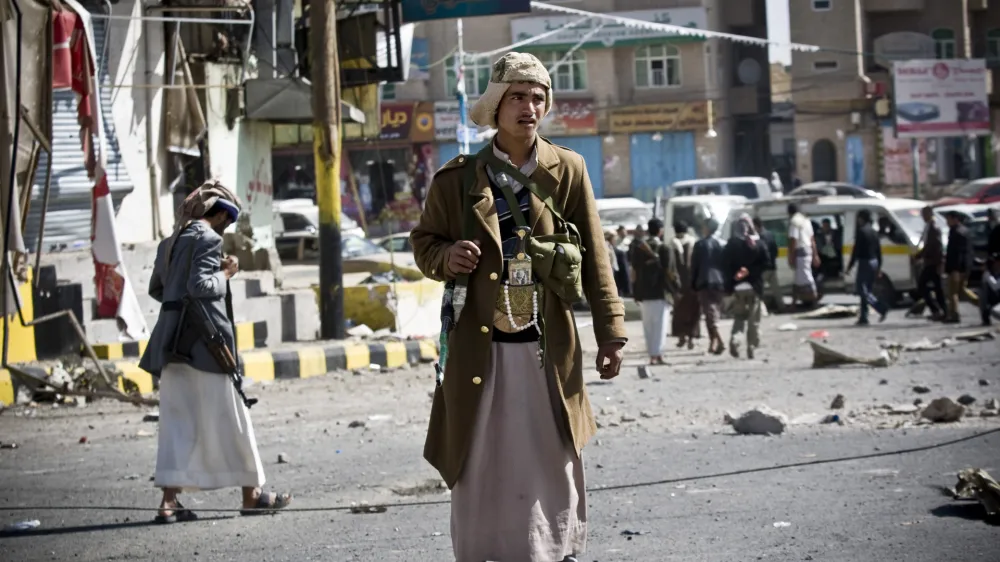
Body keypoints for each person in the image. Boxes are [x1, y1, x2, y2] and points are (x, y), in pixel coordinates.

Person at [408, 52, 626, 562]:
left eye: (538, 97)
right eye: (518, 97)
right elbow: (424, 244)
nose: (529, 107)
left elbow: (596, 257)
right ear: (497, 106)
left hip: (546, 349)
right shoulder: (456, 180)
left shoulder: (568, 170)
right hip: (480, 351)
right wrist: (447, 256)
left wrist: (611, 333)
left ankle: (552, 549)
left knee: (550, 454)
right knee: (481, 455)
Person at [139, 181, 291, 524]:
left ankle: (168, 503)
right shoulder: (208, 238)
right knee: (234, 417)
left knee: (177, 424)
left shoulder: (169, 242)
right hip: (206, 346)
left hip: (170, 346)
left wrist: (178, 306)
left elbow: (158, 289)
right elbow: (200, 286)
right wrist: (225, 273)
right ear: (221, 215)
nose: (227, 228)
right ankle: (251, 495)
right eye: (228, 221)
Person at [631, 218, 679, 365]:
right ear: (660, 231)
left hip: (644, 293)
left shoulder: (638, 248)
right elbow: (670, 271)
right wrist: (676, 287)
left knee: (648, 327)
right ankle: (657, 354)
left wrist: (635, 292)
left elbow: (634, 271)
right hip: (660, 292)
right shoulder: (664, 248)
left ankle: (652, 354)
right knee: (660, 326)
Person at [723, 214, 769, 359]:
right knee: (753, 320)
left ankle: (735, 340)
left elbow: (725, 266)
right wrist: (750, 271)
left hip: (738, 288)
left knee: (739, 317)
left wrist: (733, 280)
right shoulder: (759, 244)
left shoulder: (731, 245)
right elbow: (766, 263)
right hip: (754, 287)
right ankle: (751, 347)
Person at [845, 209, 889, 326]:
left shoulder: (861, 231)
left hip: (865, 262)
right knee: (867, 290)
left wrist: (849, 266)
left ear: (861, 218)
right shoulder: (874, 232)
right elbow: (878, 251)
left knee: (861, 290)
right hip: (874, 262)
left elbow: (856, 251)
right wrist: (879, 266)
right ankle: (863, 317)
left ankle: (881, 308)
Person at [690, 218, 727, 355]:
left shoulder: (700, 244)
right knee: (713, 313)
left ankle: (720, 341)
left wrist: (693, 284)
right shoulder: (720, 244)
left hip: (704, 282)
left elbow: (694, 266)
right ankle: (713, 343)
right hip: (719, 282)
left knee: (710, 314)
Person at [671, 221, 701, 349]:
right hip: (692, 282)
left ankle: (681, 336)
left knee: (679, 311)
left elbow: (670, 266)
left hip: (678, 283)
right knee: (693, 310)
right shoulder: (693, 242)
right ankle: (691, 338)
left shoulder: (672, 243)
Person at [915, 206, 947, 321]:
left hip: (933, 263)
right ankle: (943, 311)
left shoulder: (933, 227)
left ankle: (937, 310)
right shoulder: (928, 226)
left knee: (923, 286)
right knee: (938, 289)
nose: (922, 217)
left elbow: (934, 246)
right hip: (931, 262)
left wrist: (919, 256)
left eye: (924, 214)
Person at [787, 204, 820, 308]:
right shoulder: (806, 221)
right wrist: (815, 255)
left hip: (800, 253)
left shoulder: (794, 222)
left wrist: (791, 256)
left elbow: (793, 240)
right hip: (808, 251)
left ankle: (814, 301)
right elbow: (812, 239)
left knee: (806, 278)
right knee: (798, 279)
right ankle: (794, 303)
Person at [944, 210, 973, 324]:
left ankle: (954, 314)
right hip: (963, 267)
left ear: (955, 219)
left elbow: (958, 253)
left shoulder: (957, 232)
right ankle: (983, 305)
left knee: (953, 292)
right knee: (961, 291)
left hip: (957, 268)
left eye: (948, 219)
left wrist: (955, 269)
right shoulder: (963, 231)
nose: (947, 222)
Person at [753, 217, 782, 313]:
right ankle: (782, 307)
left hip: (764, 268)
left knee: (758, 289)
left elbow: (761, 252)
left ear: (756, 225)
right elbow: (775, 250)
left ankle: (761, 311)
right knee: (776, 290)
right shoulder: (770, 234)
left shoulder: (760, 237)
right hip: (772, 266)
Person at [980, 252, 1000, 326]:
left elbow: (995, 286)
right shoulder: (990, 273)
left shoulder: (988, 274)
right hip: (995, 301)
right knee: (983, 290)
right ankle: (985, 317)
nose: (996, 264)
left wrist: (987, 275)